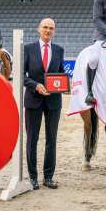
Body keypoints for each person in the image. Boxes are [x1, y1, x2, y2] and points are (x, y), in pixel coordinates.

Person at [23, 18, 65, 190]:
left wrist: (63, 84)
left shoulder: (59, 50)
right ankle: (33, 177)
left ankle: (48, 177)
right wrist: (35, 86)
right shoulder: (28, 49)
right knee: (32, 140)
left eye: (51, 28)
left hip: (54, 101)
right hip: (33, 100)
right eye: (45, 27)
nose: (48, 31)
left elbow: (61, 74)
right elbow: (21, 75)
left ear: (54, 31)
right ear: (39, 29)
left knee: (51, 140)